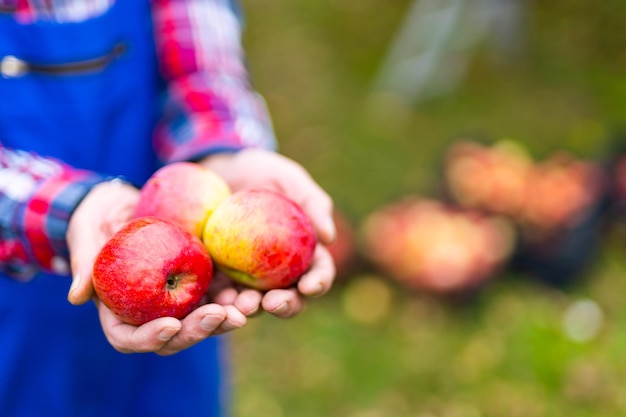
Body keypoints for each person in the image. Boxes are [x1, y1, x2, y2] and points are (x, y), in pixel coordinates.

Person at [0, 1, 336, 416]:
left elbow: (197, 40)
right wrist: (72, 206)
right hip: (18, 296)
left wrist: (220, 145)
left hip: (180, 288)